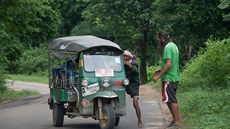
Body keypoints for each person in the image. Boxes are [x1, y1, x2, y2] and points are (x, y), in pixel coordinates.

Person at [153, 30, 181, 128]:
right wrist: (160, 69)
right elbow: (171, 63)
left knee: (172, 99)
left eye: (158, 39)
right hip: (174, 76)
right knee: (169, 99)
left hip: (169, 77)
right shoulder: (174, 45)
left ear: (162, 38)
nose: (158, 42)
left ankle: (177, 122)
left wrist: (158, 76)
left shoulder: (167, 47)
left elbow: (168, 64)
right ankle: (175, 120)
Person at [123, 50, 143, 128]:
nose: (124, 57)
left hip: (134, 85)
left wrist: (128, 64)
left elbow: (135, 70)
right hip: (125, 84)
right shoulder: (122, 64)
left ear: (130, 57)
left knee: (135, 104)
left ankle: (140, 121)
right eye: (124, 56)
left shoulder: (134, 63)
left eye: (126, 56)